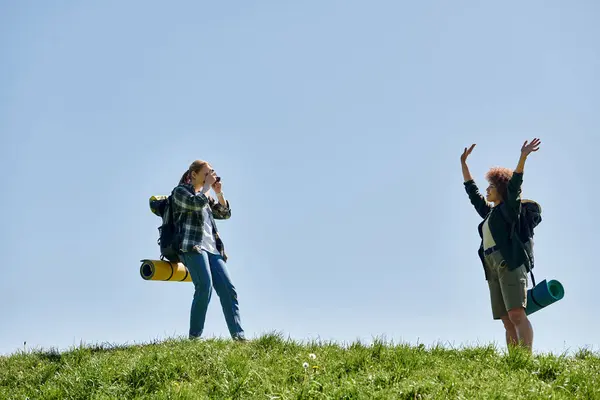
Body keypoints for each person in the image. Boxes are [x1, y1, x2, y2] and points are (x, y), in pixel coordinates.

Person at [460, 138, 541, 352]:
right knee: (506, 319)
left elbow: (515, 187)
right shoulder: (490, 214)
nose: (487, 190)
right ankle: (514, 360)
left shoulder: (509, 210)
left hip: (509, 261)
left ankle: (525, 357)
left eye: (492, 186)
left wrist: (522, 158)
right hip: (491, 265)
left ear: (501, 190)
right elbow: (474, 195)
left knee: (516, 314)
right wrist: (464, 166)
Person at [171, 159, 246, 341]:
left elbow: (225, 213)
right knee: (204, 286)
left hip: (212, 249)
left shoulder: (206, 196)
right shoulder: (180, 192)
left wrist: (218, 193)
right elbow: (195, 203)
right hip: (192, 246)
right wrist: (206, 188)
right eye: (206, 173)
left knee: (228, 289)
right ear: (194, 175)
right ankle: (194, 337)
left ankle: (239, 336)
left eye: (211, 173)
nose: (210, 177)